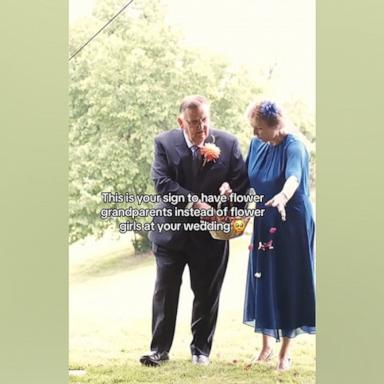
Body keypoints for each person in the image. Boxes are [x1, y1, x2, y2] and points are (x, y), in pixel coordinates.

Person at [140, 95, 249, 367]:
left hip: (211, 237)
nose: (201, 128)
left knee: (207, 293)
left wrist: (230, 192)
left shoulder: (228, 143)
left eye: (204, 120)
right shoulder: (164, 143)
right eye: (194, 122)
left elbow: (242, 185)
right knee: (165, 292)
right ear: (181, 122)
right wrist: (196, 202)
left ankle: (201, 350)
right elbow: (162, 183)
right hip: (170, 234)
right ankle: (158, 350)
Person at [243, 100, 315, 371]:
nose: (254, 133)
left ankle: (285, 351)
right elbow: (244, 179)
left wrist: (283, 197)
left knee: (287, 281)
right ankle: (266, 346)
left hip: (290, 219)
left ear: (277, 126)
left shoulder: (294, 146)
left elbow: (293, 178)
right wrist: (229, 189)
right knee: (263, 277)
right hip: (265, 218)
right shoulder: (257, 144)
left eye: (259, 128)